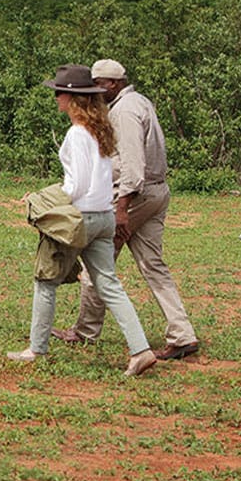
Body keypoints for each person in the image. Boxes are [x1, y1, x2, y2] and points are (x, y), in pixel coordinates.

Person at [9, 65, 158, 377]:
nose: (56, 99)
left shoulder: (77, 133)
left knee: (45, 281)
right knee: (109, 284)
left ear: (72, 98)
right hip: (105, 216)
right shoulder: (99, 130)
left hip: (81, 218)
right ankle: (141, 350)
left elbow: (75, 186)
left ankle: (36, 349)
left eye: (59, 93)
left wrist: (44, 198)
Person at [54, 59, 199, 359]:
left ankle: (85, 331)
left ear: (114, 84)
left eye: (99, 85)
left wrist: (122, 209)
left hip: (133, 196)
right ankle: (182, 334)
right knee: (153, 265)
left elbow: (133, 165)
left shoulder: (125, 111)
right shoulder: (139, 102)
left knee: (98, 262)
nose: (93, 91)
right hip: (156, 192)